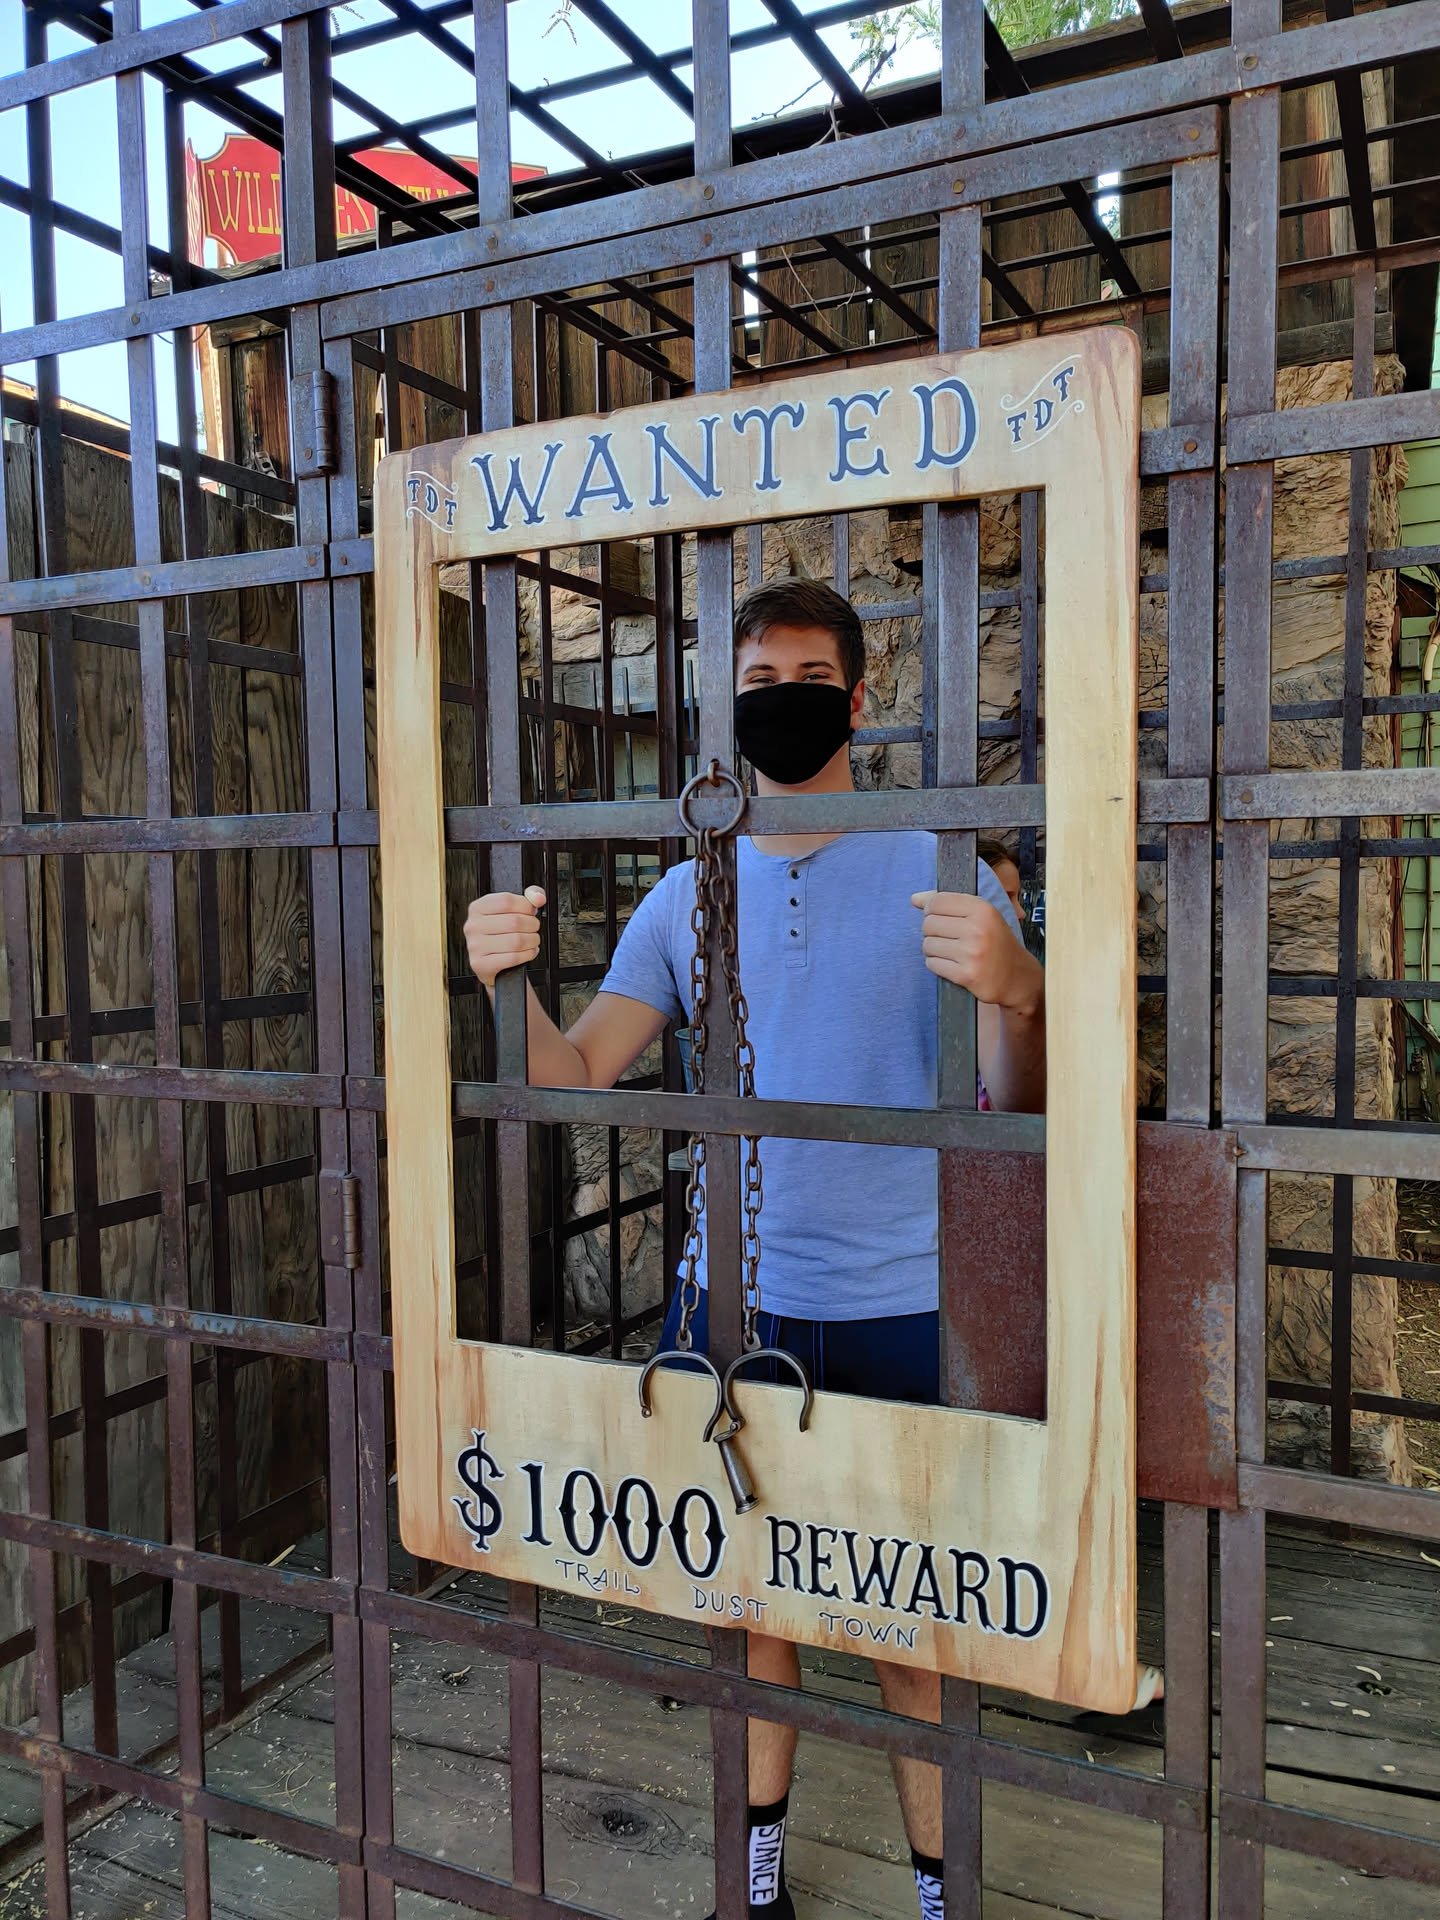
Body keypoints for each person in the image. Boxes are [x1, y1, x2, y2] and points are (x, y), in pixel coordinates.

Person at [464, 578, 1048, 1920]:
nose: (782, 699)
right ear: (727, 704)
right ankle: (760, 1870)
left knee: (911, 1624)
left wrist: (1019, 989)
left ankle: (940, 1888)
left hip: (906, 1305)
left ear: (857, 700)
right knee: (750, 1610)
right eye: (758, 678)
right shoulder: (687, 894)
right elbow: (576, 1076)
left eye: (808, 677)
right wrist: (504, 982)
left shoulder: (941, 869)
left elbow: (1019, 1113)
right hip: (736, 1306)